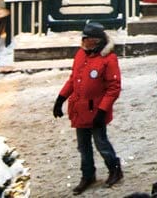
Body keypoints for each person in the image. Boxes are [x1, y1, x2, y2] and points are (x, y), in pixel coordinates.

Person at [52, 22, 124, 194]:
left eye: (87, 39)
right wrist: (60, 98)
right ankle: (88, 175)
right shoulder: (80, 55)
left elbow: (114, 87)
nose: (83, 41)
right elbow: (73, 79)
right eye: (83, 38)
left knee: (101, 143)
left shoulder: (108, 59)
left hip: (96, 111)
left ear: (97, 41)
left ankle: (115, 169)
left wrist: (102, 110)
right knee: (83, 146)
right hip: (80, 110)